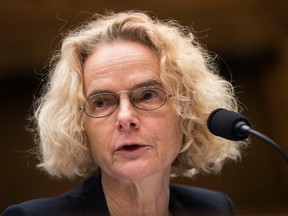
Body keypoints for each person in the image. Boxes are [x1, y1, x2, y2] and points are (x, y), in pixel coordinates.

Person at [2, 10, 247, 216]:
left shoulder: (215, 209)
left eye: (147, 95)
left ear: (188, 111)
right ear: (79, 126)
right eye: (101, 103)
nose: (125, 118)